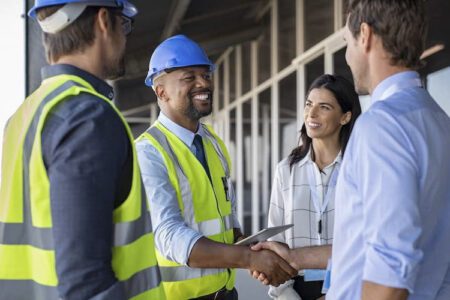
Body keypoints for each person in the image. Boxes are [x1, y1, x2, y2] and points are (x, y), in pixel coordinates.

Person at [255, 1, 450, 299]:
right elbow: (366, 245)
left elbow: (389, 270)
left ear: (366, 35)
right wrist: (295, 258)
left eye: (346, 42)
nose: (347, 56)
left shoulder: (381, 126)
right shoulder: (437, 119)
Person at [0, 1, 165, 299]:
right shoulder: (87, 117)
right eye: (123, 24)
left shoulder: (23, 116)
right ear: (103, 20)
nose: (125, 38)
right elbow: (86, 284)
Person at [136, 34, 297, 300]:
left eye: (206, 75)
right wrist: (247, 259)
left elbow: (226, 218)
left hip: (225, 293)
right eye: (189, 77)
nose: (204, 83)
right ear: (160, 91)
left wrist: (254, 247)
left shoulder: (212, 142)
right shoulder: (148, 151)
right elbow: (168, 235)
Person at [264, 74, 361, 300]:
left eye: (324, 107)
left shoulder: (359, 168)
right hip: (296, 290)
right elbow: (275, 242)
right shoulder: (286, 170)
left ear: (345, 117)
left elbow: (368, 242)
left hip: (350, 287)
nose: (311, 114)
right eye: (309, 104)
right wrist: (287, 296)